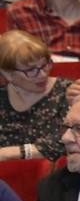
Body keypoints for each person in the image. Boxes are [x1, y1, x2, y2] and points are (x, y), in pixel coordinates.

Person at [0, 31, 71, 161]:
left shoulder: (67, 92)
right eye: (31, 70)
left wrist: (13, 152)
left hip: (54, 175)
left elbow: (68, 142)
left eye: (45, 65)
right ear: (8, 73)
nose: (43, 74)